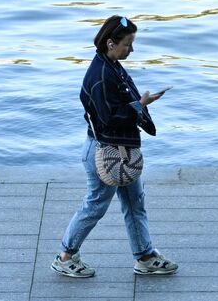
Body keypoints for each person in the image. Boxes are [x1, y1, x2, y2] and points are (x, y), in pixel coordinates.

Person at [51, 14, 178, 278]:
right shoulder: (100, 76)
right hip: (105, 152)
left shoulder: (110, 66)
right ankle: (65, 256)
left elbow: (118, 107)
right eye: (127, 44)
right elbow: (108, 119)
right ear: (111, 43)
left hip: (120, 150)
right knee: (96, 204)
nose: (131, 49)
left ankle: (144, 256)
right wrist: (139, 106)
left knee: (134, 202)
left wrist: (141, 102)